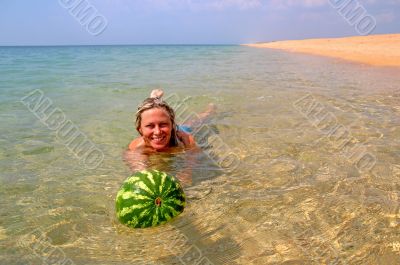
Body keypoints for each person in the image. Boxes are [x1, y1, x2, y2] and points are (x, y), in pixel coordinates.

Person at [124, 89, 215, 185]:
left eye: (163, 124)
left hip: (181, 130)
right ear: (139, 130)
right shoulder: (137, 147)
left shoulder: (184, 140)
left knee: (194, 122)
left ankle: (210, 110)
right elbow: (141, 172)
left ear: (172, 125)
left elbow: (193, 157)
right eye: (150, 126)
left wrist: (187, 172)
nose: (158, 132)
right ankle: (154, 100)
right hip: (164, 131)